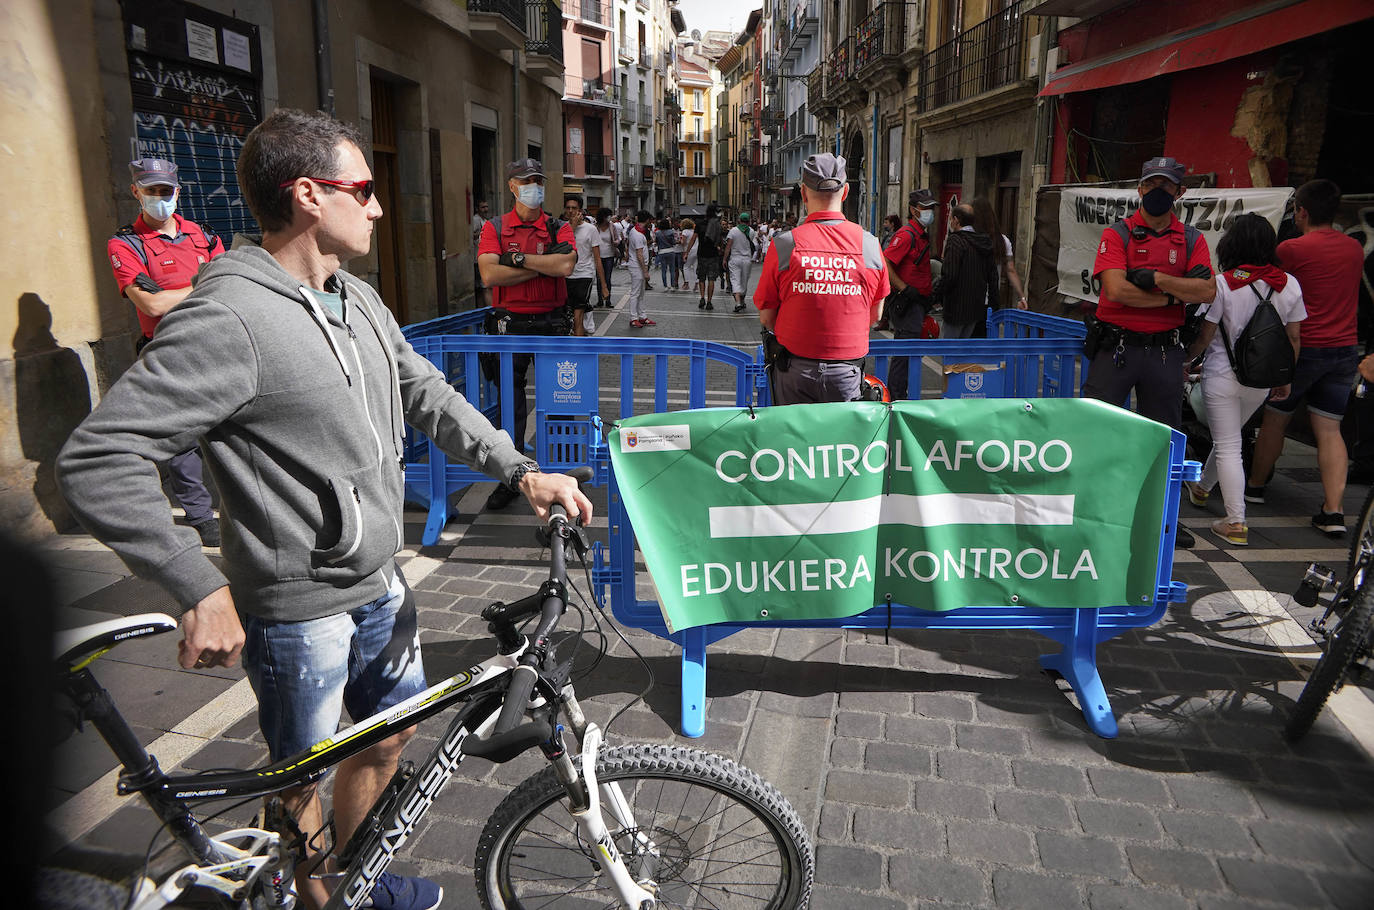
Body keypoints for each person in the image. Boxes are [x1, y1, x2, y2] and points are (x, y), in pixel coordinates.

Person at [59, 108, 592, 910]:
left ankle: (358, 879)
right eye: (365, 189)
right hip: (299, 607)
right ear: (309, 195)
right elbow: (98, 456)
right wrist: (195, 587)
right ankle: (316, 902)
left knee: (390, 738)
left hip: (380, 581)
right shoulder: (229, 318)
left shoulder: (358, 298)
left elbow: (428, 394)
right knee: (298, 773)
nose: (379, 206)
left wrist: (520, 472)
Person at [1083, 156, 1217, 550]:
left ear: (1180, 191)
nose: (1158, 191)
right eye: (1151, 183)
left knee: (1164, 440)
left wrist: (1156, 279)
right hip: (1117, 349)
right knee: (1097, 429)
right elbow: (1116, 290)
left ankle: (1163, 521)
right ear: (1139, 189)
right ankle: (1091, 513)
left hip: (1164, 355)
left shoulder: (1191, 239)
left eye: (1167, 184)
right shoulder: (1117, 235)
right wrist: (1173, 296)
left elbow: (1208, 291)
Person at [107, 157, 226, 547]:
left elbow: (228, 288)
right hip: (167, 350)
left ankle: (243, 506)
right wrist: (205, 284)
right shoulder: (125, 244)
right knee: (181, 440)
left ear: (178, 191)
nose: (160, 197)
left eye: (166, 190)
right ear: (135, 192)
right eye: (151, 190)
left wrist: (181, 292)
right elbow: (151, 306)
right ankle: (198, 514)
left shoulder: (204, 236)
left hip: (215, 342)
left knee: (231, 430)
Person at [1245, 178, 1365, 535]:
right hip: (1344, 350)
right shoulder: (1354, 249)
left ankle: (1254, 488)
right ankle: (1333, 510)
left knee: (1275, 418)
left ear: (1302, 212)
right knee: (1330, 429)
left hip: (1301, 350)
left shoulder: (1292, 250)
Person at [1184, 214, 1305, 545]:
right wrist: (1286, 377)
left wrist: (1187, 361)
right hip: (1262, 379)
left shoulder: (1223, 283)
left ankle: (1235, 522)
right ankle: (1202, 488)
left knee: (1227, 444)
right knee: (1231, 436)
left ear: (1231, 244)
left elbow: (1205, 336)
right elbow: (1294, 339)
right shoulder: (1289, 284)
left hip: (1222, 375)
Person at [477, 158, 578, 509]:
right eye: (526, 180)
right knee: (510, 407)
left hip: (552, 324)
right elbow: (489, 275)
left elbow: (565, 265)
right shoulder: (494, 226)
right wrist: (541, 266)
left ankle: (564, 477)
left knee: (562, 403)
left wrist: (516, 261)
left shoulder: (558, 226)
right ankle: (512, 478)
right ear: (512, 186)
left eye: (538, 179)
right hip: (510, 327)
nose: (533, 185)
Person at [754, 153, 889, 404]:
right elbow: (875, 315)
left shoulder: (784, 245)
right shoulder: (870, 245)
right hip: (846, 372)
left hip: (794, 370)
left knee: (793, 440)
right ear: (846, 192)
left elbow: (767, 317)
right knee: (841, 443)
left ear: (804, 194)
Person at [883, 189, 939, 400]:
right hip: (907, 303)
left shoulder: (921, 235)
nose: (929, 212)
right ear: (913, 210)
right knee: (904, 353)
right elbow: (885, 263)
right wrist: (904, 288)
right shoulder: (906, 235)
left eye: (931, 208)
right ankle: (896, 397)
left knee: (910, 351)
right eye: (925, 208)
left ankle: (900, 394)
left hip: (918, 302)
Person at [933, 203, 999, 338]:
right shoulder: (985, 242)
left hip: (956, 308)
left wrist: (935, 296)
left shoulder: (956, 240)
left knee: (950, 350)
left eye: (951, 219)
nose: (950, 222)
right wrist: (994, 304)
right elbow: (993, 276)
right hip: (976, 307)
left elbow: (949, 275)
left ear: (956, 220)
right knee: (964, 350)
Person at [970, 196, 1027, 311]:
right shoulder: (1002, 241)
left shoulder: (968, 237)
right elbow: (1011, 270)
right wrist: (1022, 297)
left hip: (969, 298)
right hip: (992, 298)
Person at [563, 195, 608, 336]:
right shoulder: (562, 228)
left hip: (584, 275)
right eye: (568, 208)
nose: (570, 211)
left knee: (578, 315)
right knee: (567, 316)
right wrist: (572, 227)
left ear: (580, 210)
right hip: (566, 275)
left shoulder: (590, 229)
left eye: (574, 208)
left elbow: (597, 258)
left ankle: (578, 350)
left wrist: (604, 286)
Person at [723, 212, 757, 314]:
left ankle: (738, 302)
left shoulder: (733, 231)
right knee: (744, 281)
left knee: (735, 280)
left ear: (739, 220)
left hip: (735, 259)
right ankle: (742, 301)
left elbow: (728, 246)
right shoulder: (751, 231)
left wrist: (724, 259)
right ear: (748, 221)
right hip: (747, 260)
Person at [626, 210, 654, 327]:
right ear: (647, 220)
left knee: (640, 293)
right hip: (637, 267)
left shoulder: (636, 231)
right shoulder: (637, 234)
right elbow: (639, 254)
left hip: (637, 266)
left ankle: (642, 316)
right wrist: (645, 271)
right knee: (636, 293)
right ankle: (634, 317)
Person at [696, 203, 724, 311]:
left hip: (701, 253)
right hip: (713, 254)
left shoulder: (700, 224)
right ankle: (709, 301)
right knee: (711, 278)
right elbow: (720, 240)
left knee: (701, 277)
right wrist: (720, 249)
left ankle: (702, 297)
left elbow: (694, 238)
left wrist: (687, 252)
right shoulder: (717, 225)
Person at [593, 207, 622, 308]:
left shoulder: (611, 226)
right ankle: (600, 300)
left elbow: (618, 239)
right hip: (598, 256)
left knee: (608, 278)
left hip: (609, 255)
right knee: (599, 278)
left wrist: (615, 242)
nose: (610, 217)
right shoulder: (596, 227)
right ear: (603, 216)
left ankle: (608, 300)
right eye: (608, 215)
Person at [471, 198, 491, 308]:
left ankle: (482, 310)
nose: (485, 209)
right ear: (477, 209)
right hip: (478, 258)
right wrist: (483, 232)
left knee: (482, 287)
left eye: (486, 207)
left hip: (485, 257)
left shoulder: (486, 220)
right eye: (483, 207)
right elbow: (472, 235)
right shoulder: (476, 220)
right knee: (485, 287)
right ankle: (491, 311)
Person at [654, 218, 681, 290]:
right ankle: (672, 286)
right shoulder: (670, 232)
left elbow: (656, 242)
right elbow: (673, 242)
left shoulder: (657, 233)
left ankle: (665, 286)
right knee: (672, 269)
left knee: (664, 270)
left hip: (662, 251)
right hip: (671, 251)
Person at [680, 217, 699, 296]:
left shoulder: (685, 231)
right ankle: (696, 285)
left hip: (689, 250)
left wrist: (679, 240)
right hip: (697, 250)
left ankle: (687, 284)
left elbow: (683, 242)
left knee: (686, 266)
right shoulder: (694, 231)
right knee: (695, 267)